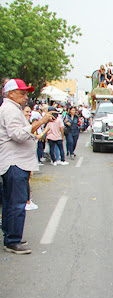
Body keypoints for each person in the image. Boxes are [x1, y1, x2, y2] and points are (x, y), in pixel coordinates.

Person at [0, 79, 53, 254]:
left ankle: (11, 236)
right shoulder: (9, 110)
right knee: (16, 203)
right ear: (10, 94)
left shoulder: (12, 109)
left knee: (10, 203)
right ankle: (13, 240)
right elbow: (18, 135)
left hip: (15, 162)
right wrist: (41, 121)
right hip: (15, 162)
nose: (25, 96)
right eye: (22, 93)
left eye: (26, 93)